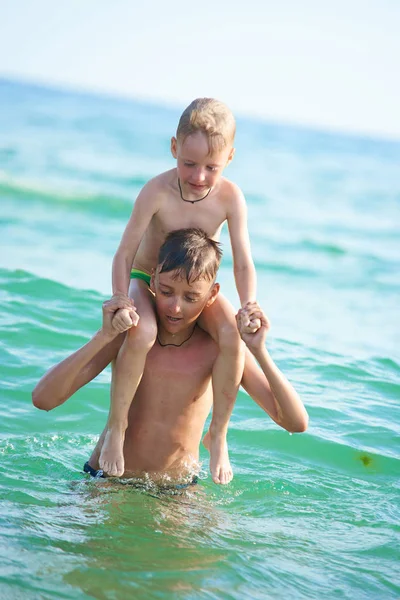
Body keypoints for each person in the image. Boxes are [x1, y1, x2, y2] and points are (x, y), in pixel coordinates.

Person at [32, 229, 308, 485]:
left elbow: (295, 423)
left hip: (178, 491)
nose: (175, 307)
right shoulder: (130, 337)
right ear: (151, 280)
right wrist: (103, 337)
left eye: (191, 297)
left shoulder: (220, 351)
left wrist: (259, 351)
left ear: (212, 294)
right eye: (166, 292)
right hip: (107, 480)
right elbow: (44, 399)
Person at [103, 98, 260, 483]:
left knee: (230, 336)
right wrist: (122, 295)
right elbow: (125, 253)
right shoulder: (156, 191)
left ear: (230, 159)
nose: (199, 176)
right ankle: (117, 429)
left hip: (193, 289)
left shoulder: (230, 198)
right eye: (189, 164)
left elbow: (242, 261)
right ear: (174, 147)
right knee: (143, 331)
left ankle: (218, 434)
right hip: (147, 276)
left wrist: (249, 305)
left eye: (212, 167)